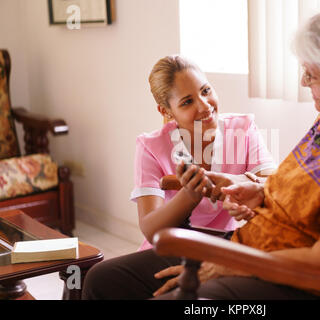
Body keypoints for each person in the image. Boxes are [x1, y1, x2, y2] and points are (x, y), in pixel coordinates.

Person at [84, 2, 320, 300]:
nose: (303, 83)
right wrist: (260, 191)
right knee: (102, 280)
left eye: (311, 75)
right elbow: (309, 191)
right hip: (252, 247)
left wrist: (235, 265)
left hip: (298, 283)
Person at [81, 55, 276, 299]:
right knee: (98, 278)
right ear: (166, 111)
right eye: (187, 102)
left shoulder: (243, 128)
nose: (204, 105)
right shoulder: (151, 146)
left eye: (206, 90)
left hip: (227, 244)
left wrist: (237, 184)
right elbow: (151, 230)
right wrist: (190, 194)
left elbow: (274, 185)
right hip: (175, 243)